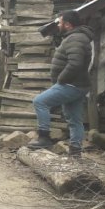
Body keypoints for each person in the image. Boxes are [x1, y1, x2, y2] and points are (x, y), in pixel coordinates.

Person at [27, 10, 93, 157]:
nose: (58, 25)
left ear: (68, 24)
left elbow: (75, 64)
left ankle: (44, 137)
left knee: (40, 101)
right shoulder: (77, 37)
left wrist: (61, 80)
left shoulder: (75, 38)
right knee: (74, 119)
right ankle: (75, 152)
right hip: (79, 85)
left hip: (71, 84)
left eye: (60, 22)